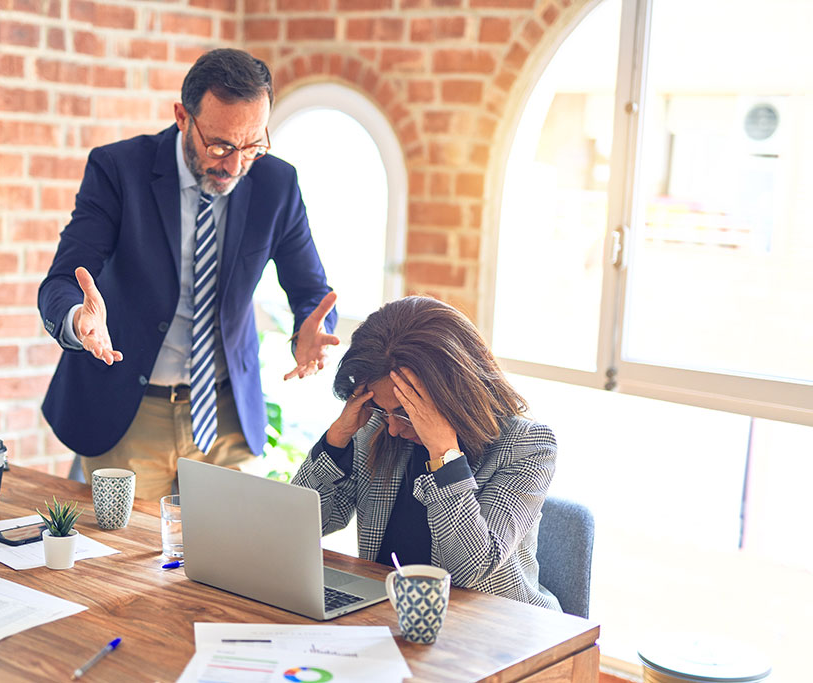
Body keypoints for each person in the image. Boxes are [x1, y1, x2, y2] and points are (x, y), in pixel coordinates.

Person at [38, 49, 338, 500]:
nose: (235, 165)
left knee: (234, 562)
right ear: (182, 116)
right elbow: (61, 281)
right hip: (131, 414)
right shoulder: (119, 170)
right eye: (219, 146)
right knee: (125, 567)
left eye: (253, 146)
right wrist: (81, 320)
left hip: (227, 415)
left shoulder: (277, 184)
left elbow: (311, 291)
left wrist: (310, 332)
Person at [292, 296, 560, 610]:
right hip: (390, 617)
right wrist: (337, 439)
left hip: (494, 628)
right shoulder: (378, 424)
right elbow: (300, 528)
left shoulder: (527, 445)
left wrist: (444, 454)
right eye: (382, 409)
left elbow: (470, 569)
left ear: (453, 392)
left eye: (405, 412)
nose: (391, 427)